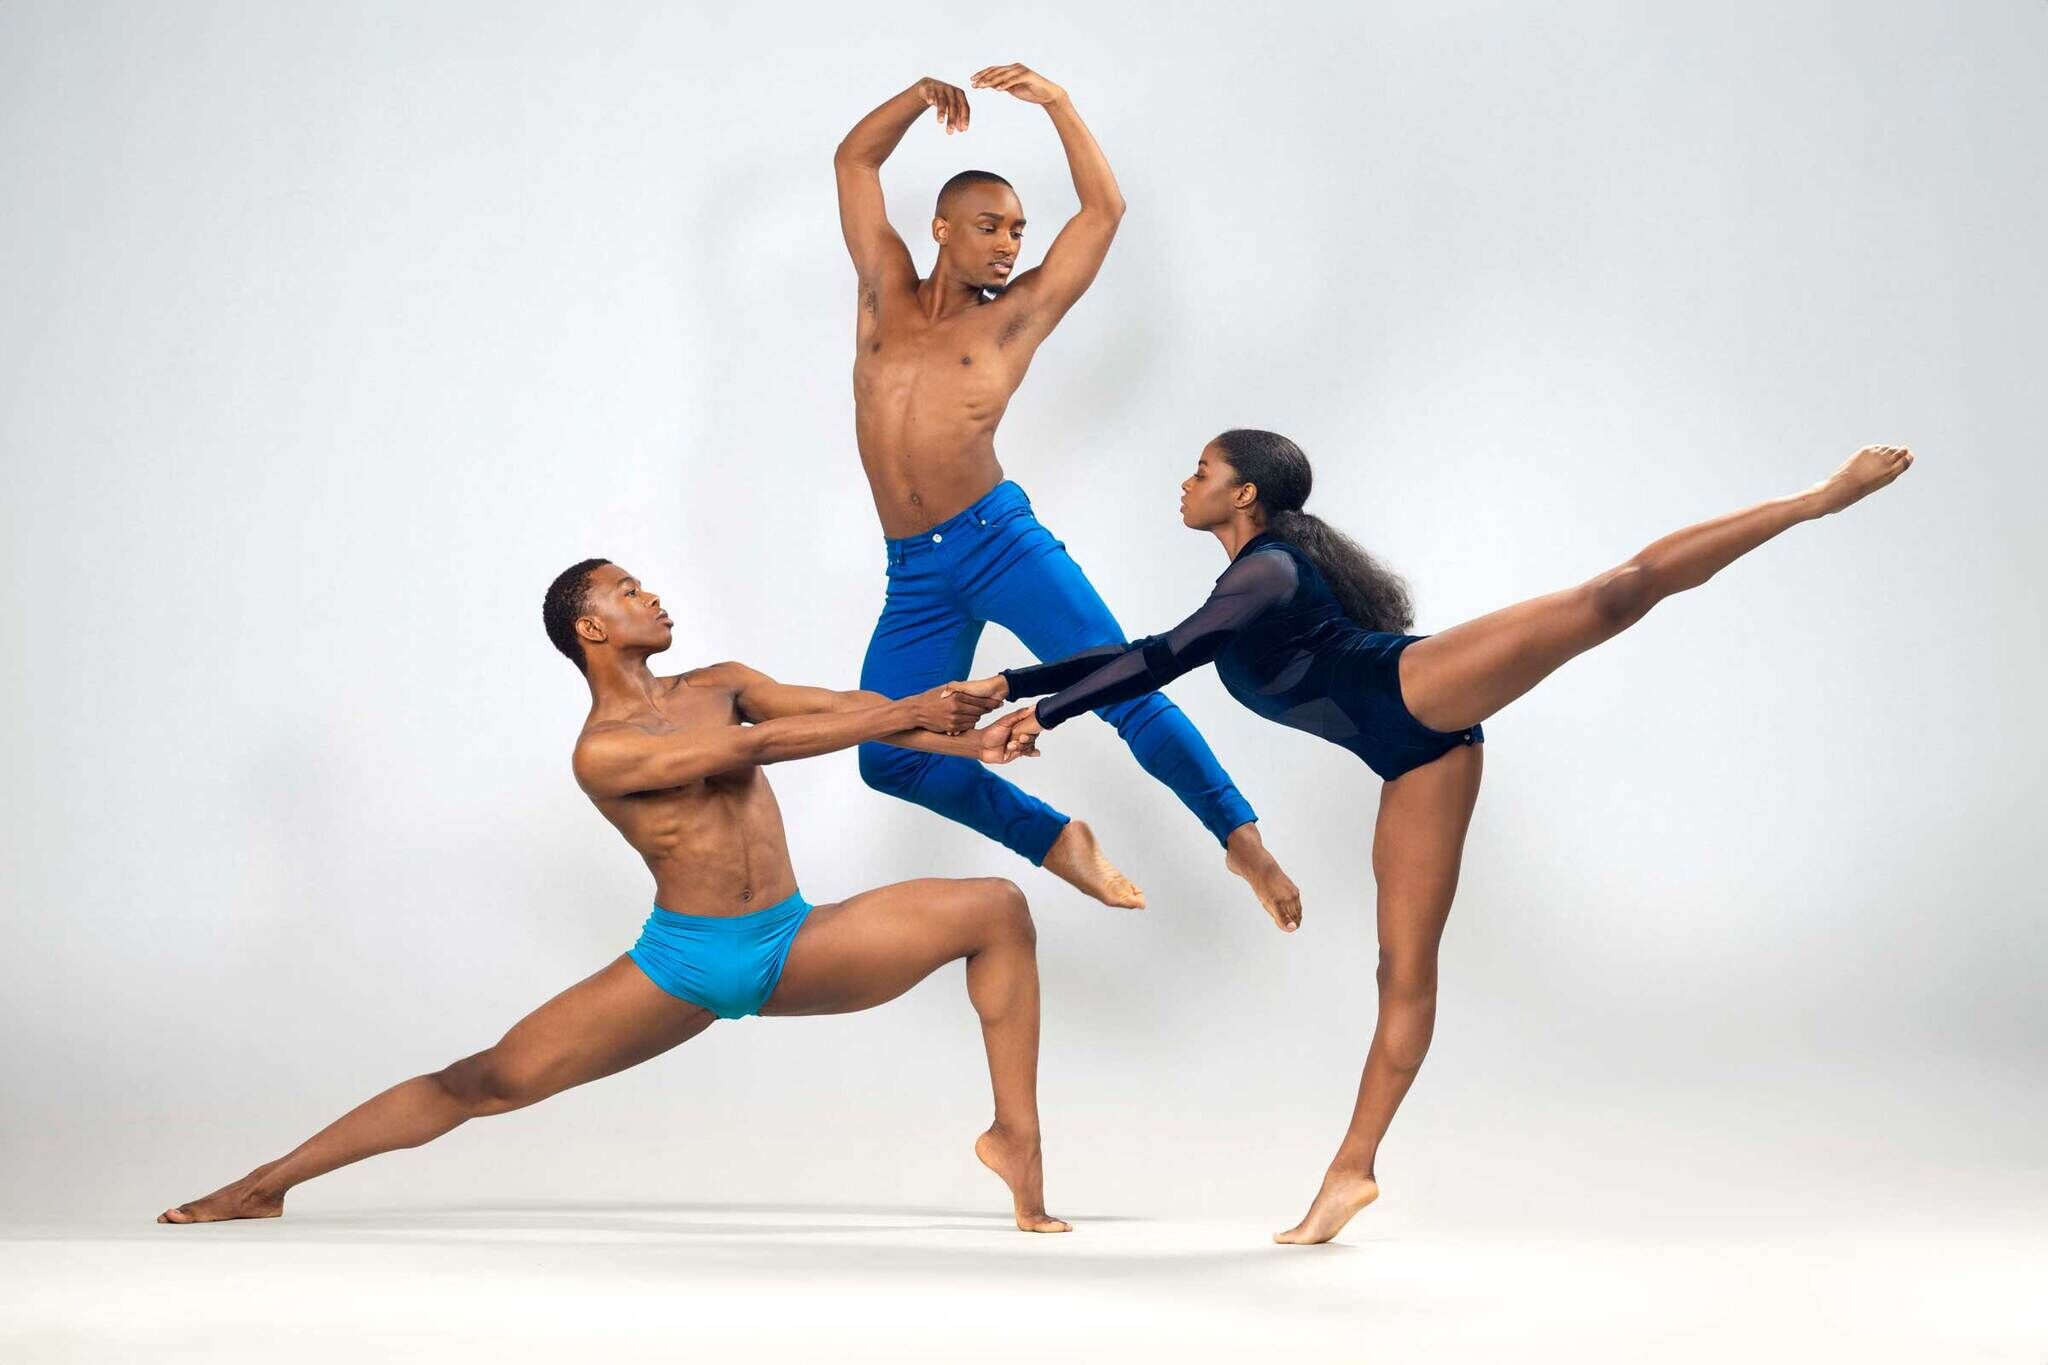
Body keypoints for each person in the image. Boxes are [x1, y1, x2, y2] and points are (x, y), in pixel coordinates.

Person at [961, 430, 1915, 1243]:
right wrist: (1018, 682)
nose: (1185, 480)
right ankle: (1351, 1171)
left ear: (1241, 492)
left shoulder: (1268, 570)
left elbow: (1162, 658)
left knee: (1610, 597)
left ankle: (1816, 500)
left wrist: (1047, 716)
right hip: (1415, 761)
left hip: (1416, 689)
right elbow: (1148, 651)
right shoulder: (1244, 583)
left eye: (1200, 467)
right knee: (1401, 973)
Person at [158, 558, 1071, 1234]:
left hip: (794, 943)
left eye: (647, 586)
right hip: (681, 961)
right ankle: (267, 1181)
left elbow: (832, 704)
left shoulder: (722, 684)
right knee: (482, 1082)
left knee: (996, 907)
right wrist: (909, 715)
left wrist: (968, 742)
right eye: (629, 591)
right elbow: (751, 754)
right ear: (591, 629)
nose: (654, 596)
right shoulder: (603, 749)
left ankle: (1013, 1140)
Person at [833, 64, 1300, 925]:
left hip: (999, 543)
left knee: (1123, 682)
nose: (1009, 244)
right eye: (988, 226)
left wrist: (1058, 105)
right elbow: (855, 163)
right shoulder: (881, 289)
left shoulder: (1013, 316)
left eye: (1017, 229)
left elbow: (1103, 214)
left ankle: (1244, 842)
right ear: (940, 229)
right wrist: (917, 97)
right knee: (887, 749)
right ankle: (1055, 842)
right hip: (915, 574)